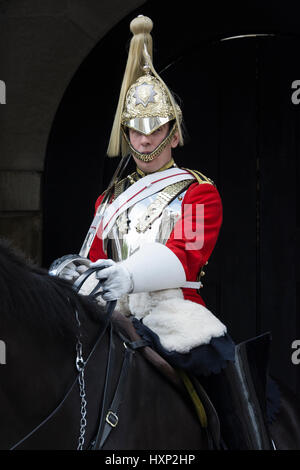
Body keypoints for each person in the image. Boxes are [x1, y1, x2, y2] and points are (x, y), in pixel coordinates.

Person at [56, 15, 274, 449]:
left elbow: (186, 253)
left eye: (154, 129)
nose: (144, 140)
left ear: (173, 134)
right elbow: (93, 255)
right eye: (136, 131)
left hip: (175, 314)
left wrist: (128, 276)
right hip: (112, 317)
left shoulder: (197, 192)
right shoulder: (109, 200)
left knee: (225, 378)